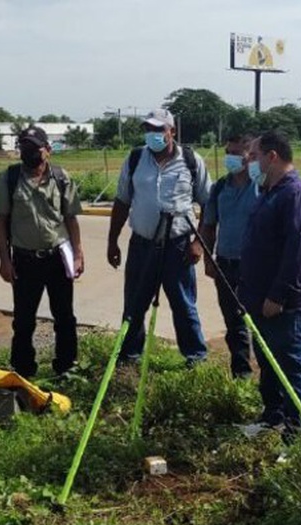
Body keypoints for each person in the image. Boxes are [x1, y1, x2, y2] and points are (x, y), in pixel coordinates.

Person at [107, 109, 211, 365]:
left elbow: (209, 204)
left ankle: (195, 359)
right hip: (141, 245)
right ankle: (129, 357)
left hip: (178, 247)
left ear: (171, 132)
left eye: (158, 130)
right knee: (134, 305)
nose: (152, 135)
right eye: (148, 130)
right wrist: (112, 240)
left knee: (184, 306)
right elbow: (122, 201)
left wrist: (200, 243)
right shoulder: (134, 159)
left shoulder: (190, 160)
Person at [238, 130, 301, 437]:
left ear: (271, 156)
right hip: (260, 300)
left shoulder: (297, 193)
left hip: (286, 304)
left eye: (254, 155)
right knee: (269, 364)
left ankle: (298, 434)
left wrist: (278, 295)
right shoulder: (270, 191)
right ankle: (273, 417)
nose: (249, 161)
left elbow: (297, 252)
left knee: (290, 366)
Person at [0, 125, 84, 378]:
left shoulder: (61, 178)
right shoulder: (9, 179)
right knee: (23, 319)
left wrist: (77, 255)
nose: (28, 152)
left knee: (64, 316)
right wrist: (4, 260)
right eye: (24, 147)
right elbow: (1, 221)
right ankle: (23, 370)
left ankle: (66, 366)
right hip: (24, 260)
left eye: (34, 148)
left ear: (47, 151)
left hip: (57, 257)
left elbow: (71, 219)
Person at [198, 135, 258, 378]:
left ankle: (270, 379)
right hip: (225, 265)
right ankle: (241, 374)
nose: (231, 158)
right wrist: (208, 258)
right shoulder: (220, 188)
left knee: (258, 322)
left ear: (249, 156)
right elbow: (209, 226)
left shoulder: (260, 186)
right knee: (234, 324)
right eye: (228, 152)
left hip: (254, 266)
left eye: (237, 153)